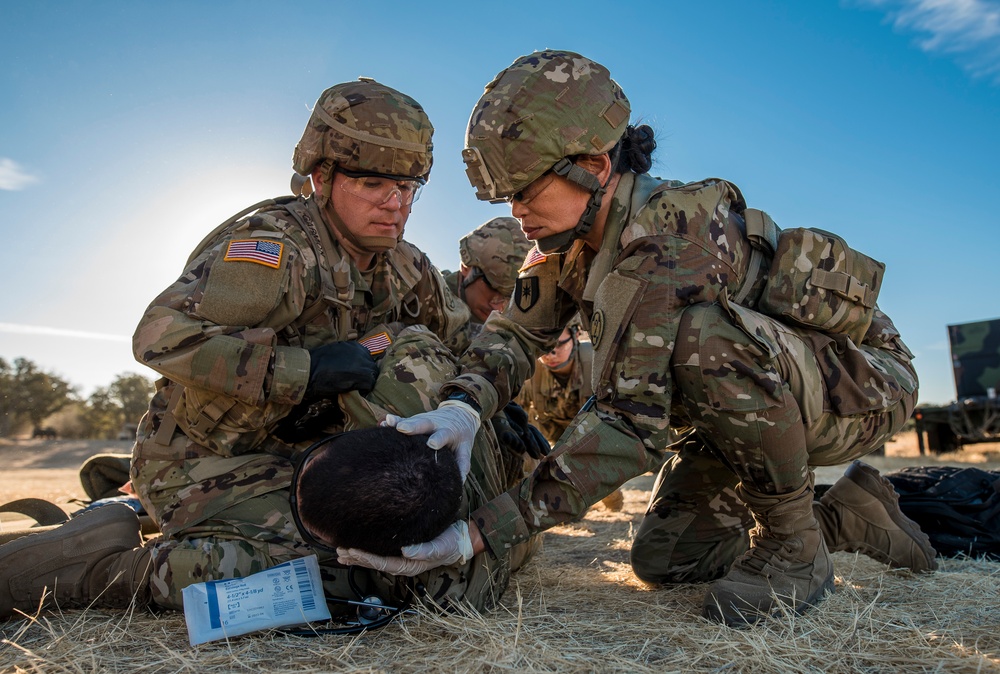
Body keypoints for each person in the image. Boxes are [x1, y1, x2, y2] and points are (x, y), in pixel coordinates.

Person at [344, 50, 936, 626]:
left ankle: (795, 543)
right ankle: (843, 518)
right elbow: (515, 337)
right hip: (762, 406)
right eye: (507, 195)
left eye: (526, 188)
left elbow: (629, 423)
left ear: (595, 165)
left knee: (702, 338)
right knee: (669, 560)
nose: (517, 209)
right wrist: (462, 405)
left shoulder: (669, 240)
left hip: (861, 384)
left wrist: (480, 532)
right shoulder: (565, 240)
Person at [0, 78, 514, 620]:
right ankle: (89, 571)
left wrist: (484, 402)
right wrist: (303, 371)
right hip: (205, 457)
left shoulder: (408, 267)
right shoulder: (276, 250)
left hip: (307, 456)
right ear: (322, 178)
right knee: (353, 572)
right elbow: (159, 337)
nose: (396, 204)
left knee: (420, 547)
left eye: (409, 188)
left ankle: (122, 509)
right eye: (373, 184)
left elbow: (463, 344)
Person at [0, 324, 519, 620]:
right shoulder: (415, 388)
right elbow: (415, 338)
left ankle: (126, 502)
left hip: (193, 486)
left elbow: (130, 577)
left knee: (128, 531)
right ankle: (127, 497)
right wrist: (474, 405)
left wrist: (104, 534)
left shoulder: (274, 567)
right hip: (485, 447)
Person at [515, 323, 625, 511]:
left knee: (597, 485)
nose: (551, 354)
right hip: (550, 432)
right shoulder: (529, 369)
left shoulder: (597, 363)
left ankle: (607, 491)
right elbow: (516, 415)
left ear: (576, 336)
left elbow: (617, 417)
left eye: (558, 345)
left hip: (592, 436)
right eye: (545, 347)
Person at [442, 216, 534, 329]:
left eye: (510, 297)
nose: (498, 306)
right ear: (466, 267)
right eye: (493, 289)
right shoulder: (426, 295)